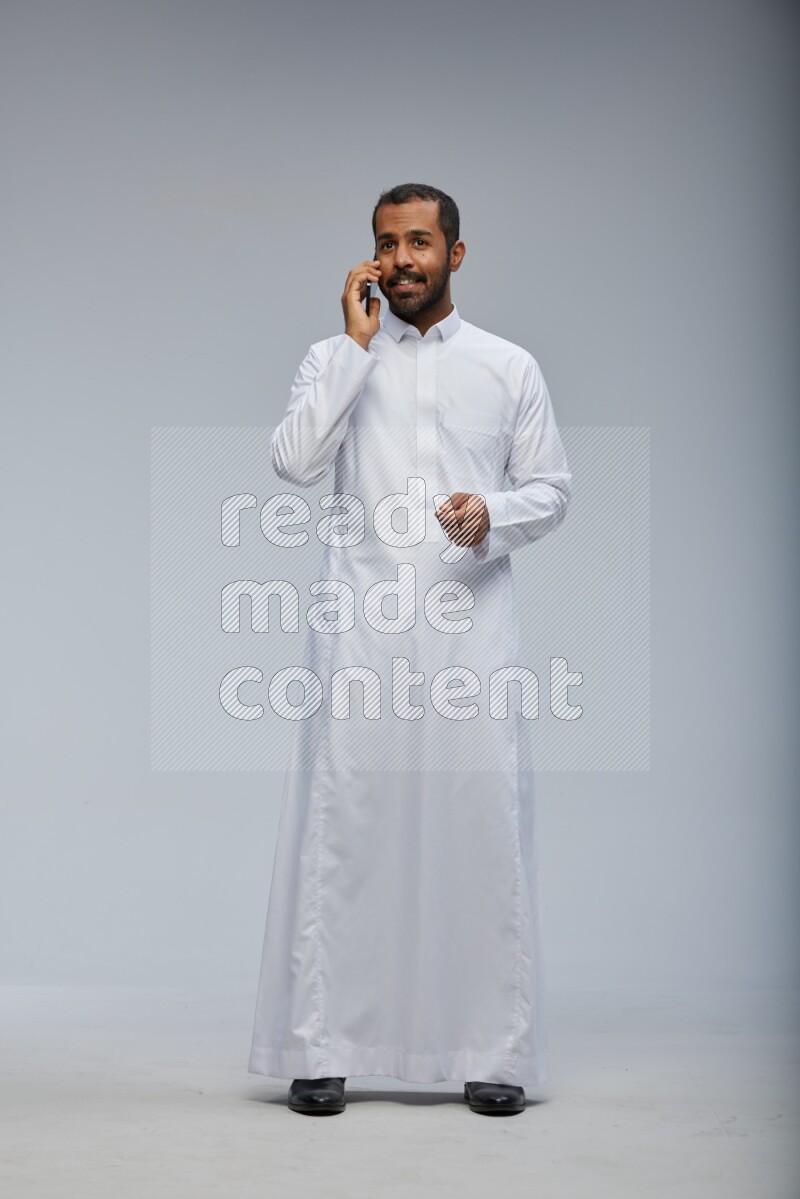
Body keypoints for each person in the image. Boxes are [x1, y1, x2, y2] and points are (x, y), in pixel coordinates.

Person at [248, 183, 572, 1116]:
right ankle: (322, 1047)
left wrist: (492, 514)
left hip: (472, 630)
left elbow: (551, 490)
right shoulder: (333, 359)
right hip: (361, 631)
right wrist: (353, 351)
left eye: (420, 242)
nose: (402, 260)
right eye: (387, 243)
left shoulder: (508, 367)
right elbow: (296, 463)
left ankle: (493, 1054)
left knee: (481, 826)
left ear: (456, 255)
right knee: (345, 826)